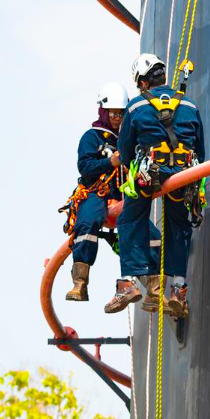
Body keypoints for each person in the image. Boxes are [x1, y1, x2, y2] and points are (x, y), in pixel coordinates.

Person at [103, 53, 207, 317]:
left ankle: (128, 283)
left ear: (142, 82)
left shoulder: (136, 106)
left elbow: (124, 151)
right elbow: (201, 151)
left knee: (130, 220)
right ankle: (178, 290)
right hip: (183, 175)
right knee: (178, 226)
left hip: (150, 176)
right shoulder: (190, 106)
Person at [61, 83, 129, 302]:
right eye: (113, 113)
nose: (117, 118)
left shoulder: (130, 140)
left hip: (124, 197)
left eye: (121, 113)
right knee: (87, 223)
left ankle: (154, 286)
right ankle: (80, 283)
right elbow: (85, 167)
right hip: (96, 193)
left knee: (147, 232)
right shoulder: (92, 137)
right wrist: (111, 162)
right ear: (104, 112)